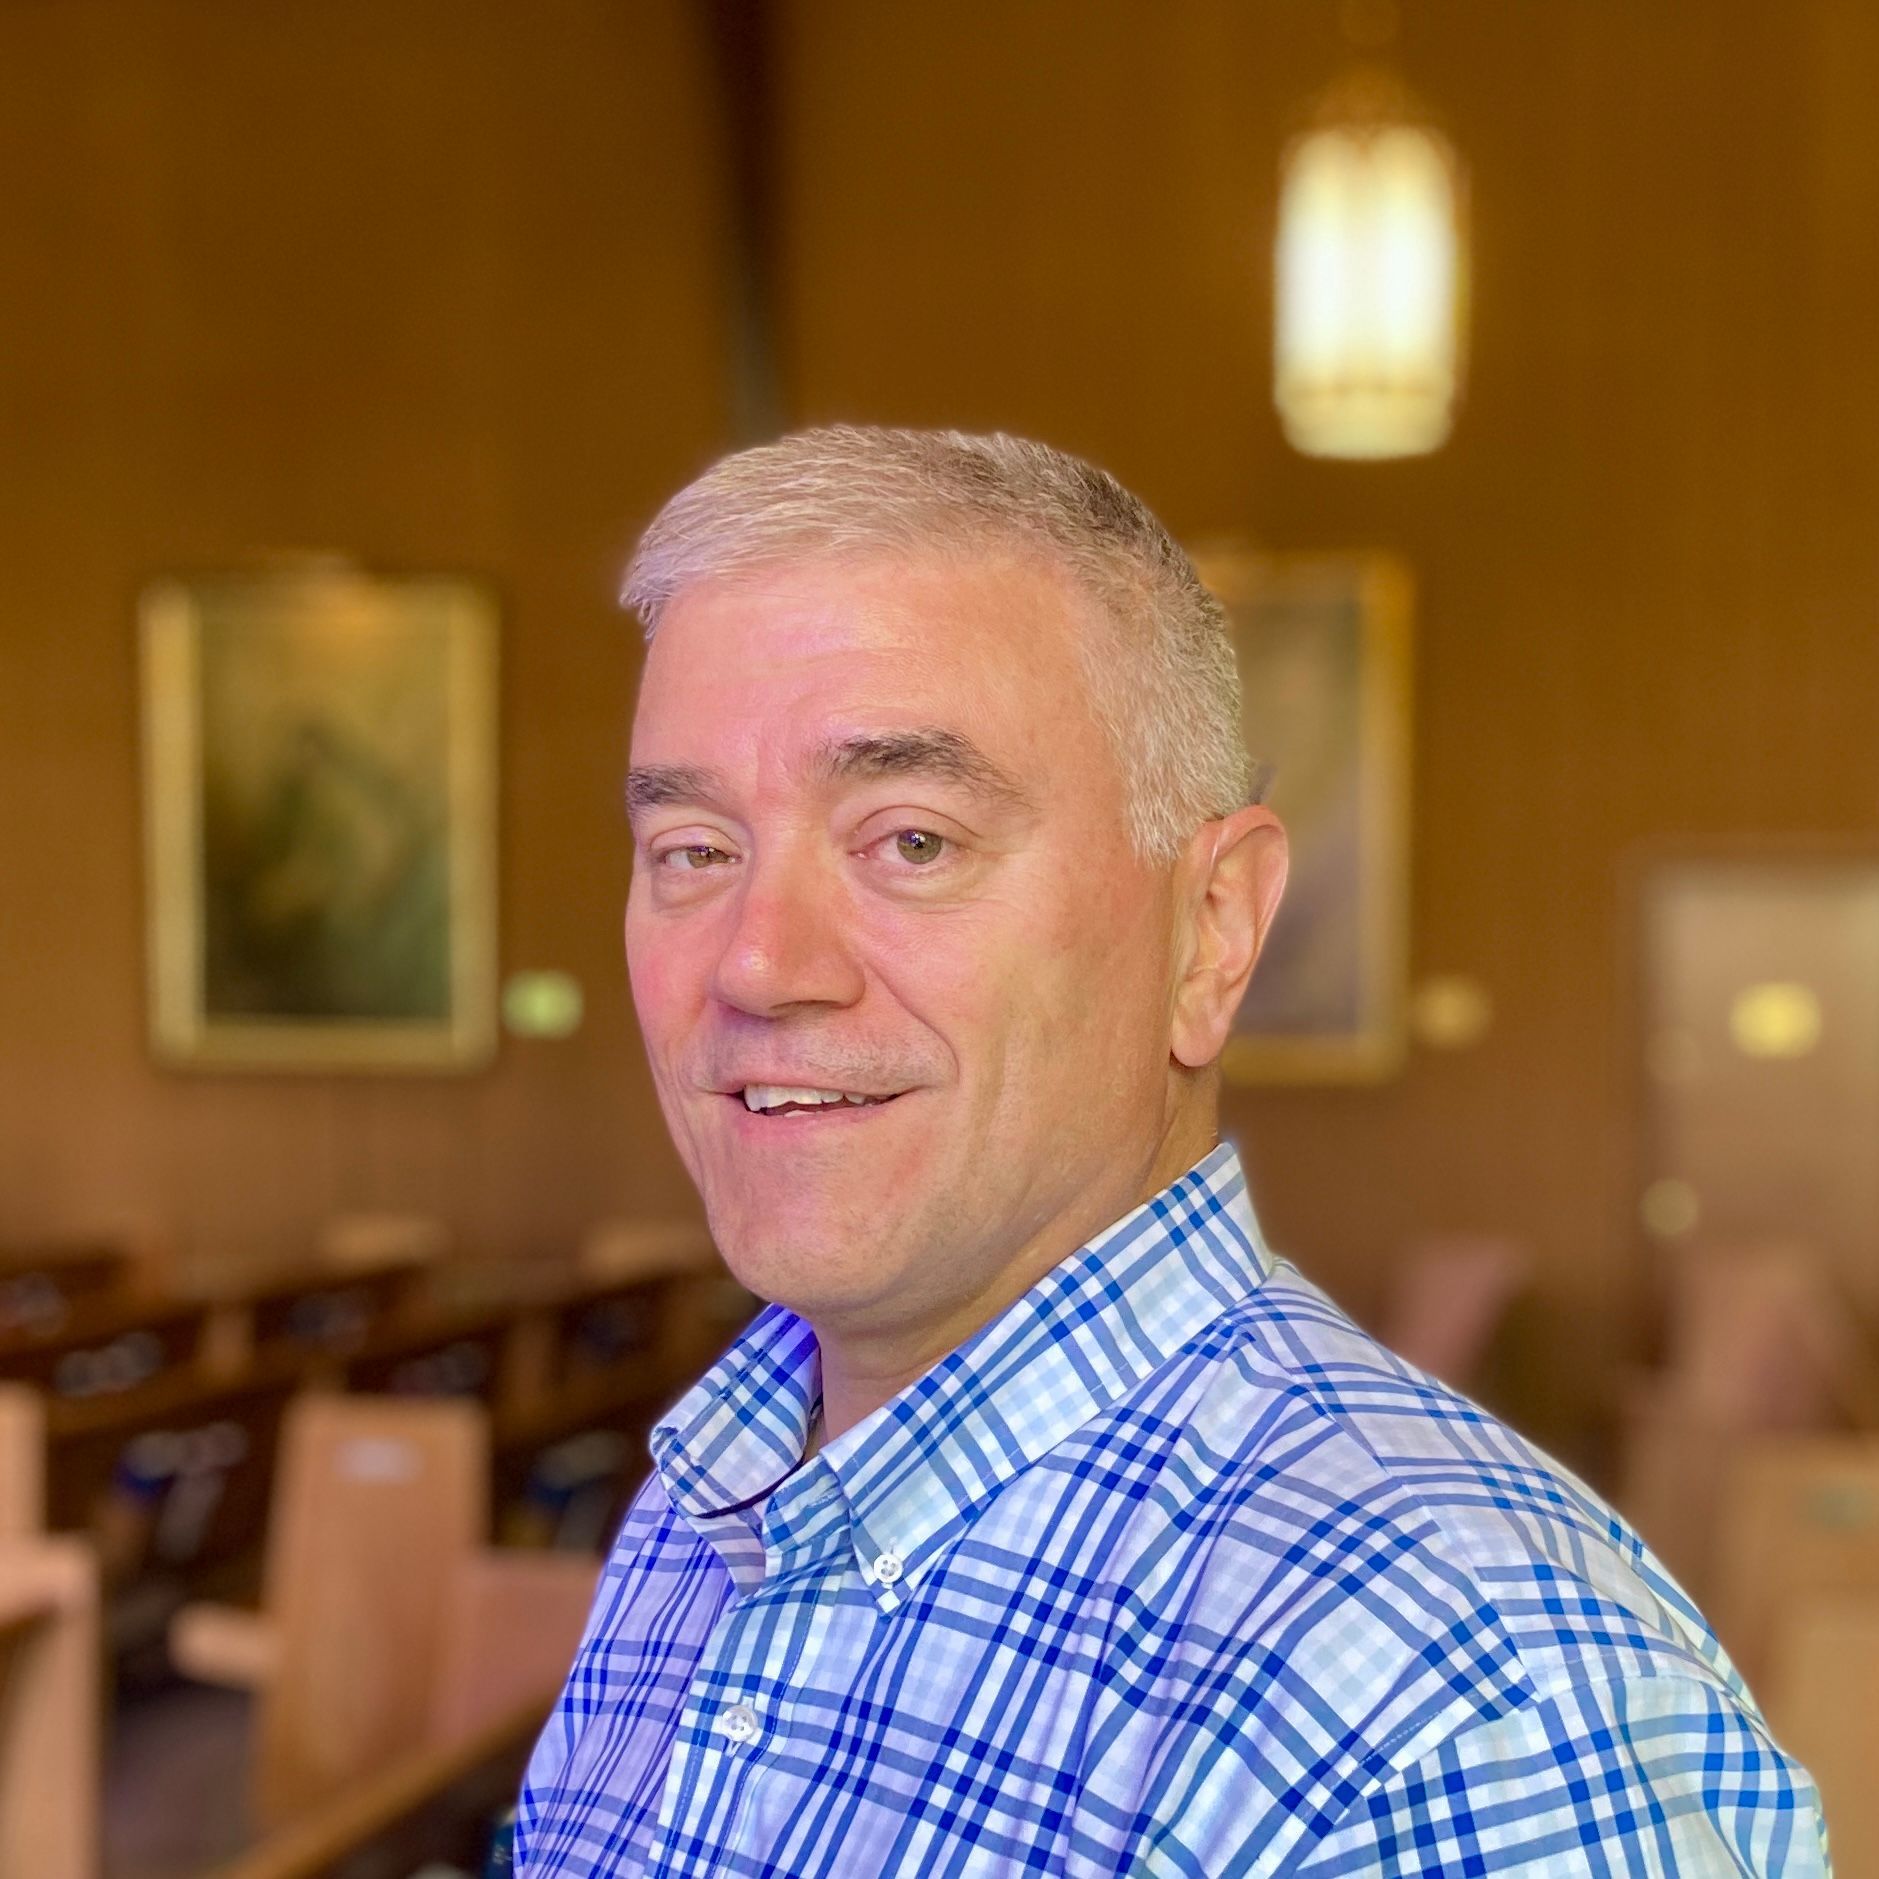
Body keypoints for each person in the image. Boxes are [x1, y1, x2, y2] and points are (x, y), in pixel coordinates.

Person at [515, 427, 1828, 1876]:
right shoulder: (711, 1495)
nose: (758, 964)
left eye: (914, 841)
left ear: (1213, 933)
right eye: (692, 851)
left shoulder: (1460, 1703)